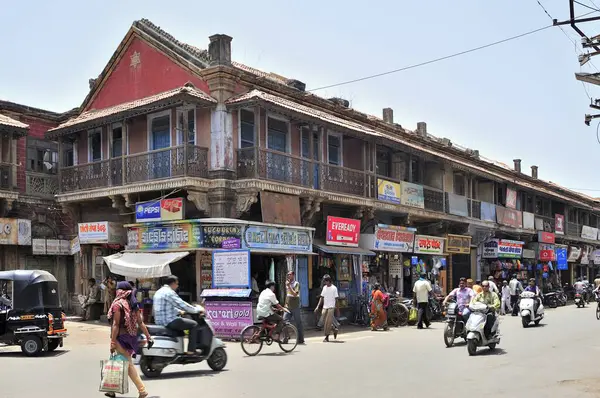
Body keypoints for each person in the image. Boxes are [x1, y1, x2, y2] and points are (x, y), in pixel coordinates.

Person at [106, 281, 152, 398]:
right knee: (120, 362)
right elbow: (140, 323)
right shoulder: (133, 305)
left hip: (120, 338)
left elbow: (115, 325)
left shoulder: (117, 305)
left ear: (120, 291)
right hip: (130, 338)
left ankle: (142, 390)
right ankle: (111, 390)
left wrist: (112, 341)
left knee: (126, 364)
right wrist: (148, 336)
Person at [153, 275, 201, 355]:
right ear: (173, 283)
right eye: (177, 284)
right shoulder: (169, 292)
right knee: (194, 324)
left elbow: (166, 308)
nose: (177, 286)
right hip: (169, 321)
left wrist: (180, 312)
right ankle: (191, 350)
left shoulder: (158, 292)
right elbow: (182, 304)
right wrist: (197, 310)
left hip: (159, 321)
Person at [314, 274, 339, 342]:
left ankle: (326, 337)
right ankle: (334, 329)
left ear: (329, 281)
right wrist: (317, 307)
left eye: (325, 281)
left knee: (328, 322)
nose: (324, 283)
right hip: (325, 307)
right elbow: (321, 298)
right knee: (324, 321)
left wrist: (337, 309)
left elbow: (336, 299)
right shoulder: (324, 288)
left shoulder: (334, 288)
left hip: (331, 307)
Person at [284, 271, 305, 344]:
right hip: (288, 306)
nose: (288, 276)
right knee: (284, 321)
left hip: (295, 306)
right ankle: (286, 338)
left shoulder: (297, 284)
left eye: (290, 274)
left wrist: (289, 286)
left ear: (293, 275)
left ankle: (301, 339)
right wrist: (285, 304)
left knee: (298, 323)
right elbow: (287, 295)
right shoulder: (287, 284)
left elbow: (295, 294)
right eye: (288, 275)